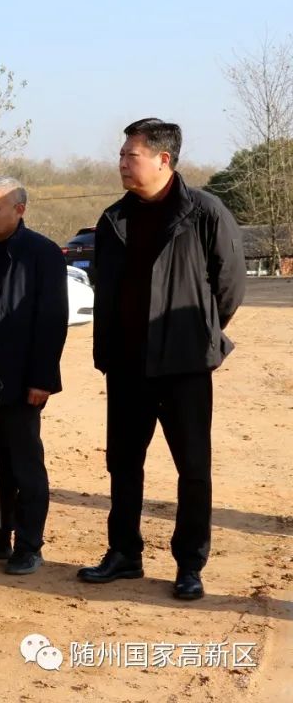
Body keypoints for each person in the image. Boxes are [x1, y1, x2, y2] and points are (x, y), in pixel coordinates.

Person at [78, 118, 246, 601]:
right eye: (121, 155)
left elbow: (229, 285)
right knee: (123, 463)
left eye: (130, 155)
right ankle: (124, 553)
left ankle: (189, 564)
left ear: (163, 159)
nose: (121, 163)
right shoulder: (113, 219)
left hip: (183, 367)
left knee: (192, 468)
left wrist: (198, 333)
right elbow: (105, 284)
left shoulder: (204, 212)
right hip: (126, 365)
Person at [0, 177, 68, 575]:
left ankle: (29, 545)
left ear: (19, 210)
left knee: (25, 466)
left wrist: (42, 378)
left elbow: (52, 319)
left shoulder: (42, 253)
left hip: (23, 378)